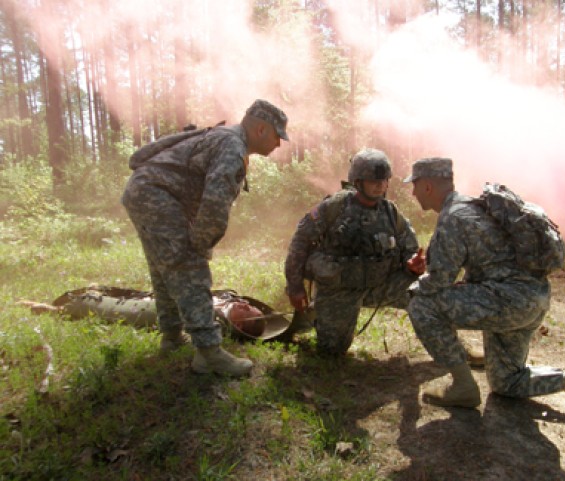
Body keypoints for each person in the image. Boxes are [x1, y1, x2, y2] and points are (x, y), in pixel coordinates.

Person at [404, 157, 565, 427]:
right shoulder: (474, 208)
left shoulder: (452, 218)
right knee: (507, 382)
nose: (413, 192)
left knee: (421, 303)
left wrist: (414, 284)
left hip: (506, 302)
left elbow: (438, 280)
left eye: (416, 186)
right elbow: (489, 261)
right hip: (532, 299)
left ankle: (462, 386)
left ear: (429, 187)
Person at [121, 99, 289, 377]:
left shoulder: (226, 139)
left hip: (144, 191)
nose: (279, 144)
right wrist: (200, 245)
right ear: (260, 129)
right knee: (188, 266)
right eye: (277, 136)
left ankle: (172, 338)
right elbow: (214, 203)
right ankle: (208, 353)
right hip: (157, 195)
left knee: (164, 267)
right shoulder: (232, 147)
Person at [284, 148, 426, 356]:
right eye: (373, 181)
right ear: (358, 182)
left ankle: (448, 347)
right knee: (331, 352)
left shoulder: (390, 212)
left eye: (384, 180)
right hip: (341, 289)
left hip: (380, 286)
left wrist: (413, 264)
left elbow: (410, 248)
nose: (380, 185)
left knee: (427, 294)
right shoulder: (334, 207)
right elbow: (300, 243)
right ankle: (321, 311)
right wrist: (295, 287)